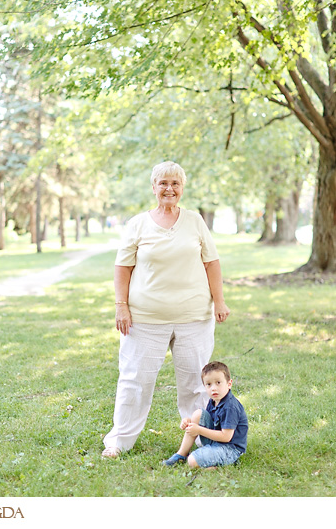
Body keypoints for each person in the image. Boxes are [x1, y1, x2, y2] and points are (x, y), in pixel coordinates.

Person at [102, 161, 230, 459]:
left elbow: (212, 263)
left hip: (194, 317)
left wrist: (219, 301)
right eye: (163, 183)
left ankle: (204, 440)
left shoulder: (195, 221)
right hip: (145, 319)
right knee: (135, 381)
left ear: (182, 188)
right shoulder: (137, 224)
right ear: (154, 187)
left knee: (197, 386)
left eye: (175, 183)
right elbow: (123, 268)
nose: (169, 189)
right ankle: (119, 442)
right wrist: (121, 306)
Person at [162, 361, 248, 468]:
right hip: (216, 442)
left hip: (230, 449)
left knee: (193, 461)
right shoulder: (214, 401)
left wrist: (199, 430)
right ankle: (181, 455)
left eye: (218, 383)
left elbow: (226, 437)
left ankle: (223, 464)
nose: (213, 388)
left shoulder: (230, 407)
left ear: (229, 384)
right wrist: (189, 422)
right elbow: (208, 422)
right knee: (198, 414)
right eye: (208, 384)